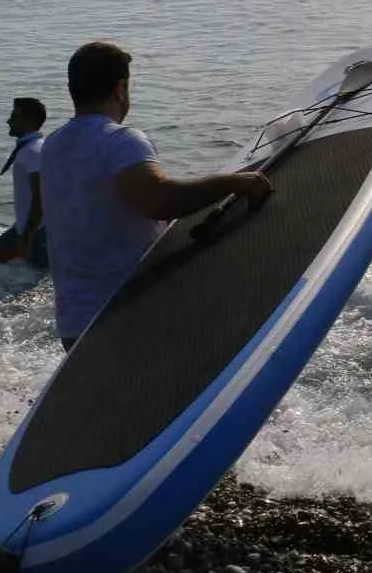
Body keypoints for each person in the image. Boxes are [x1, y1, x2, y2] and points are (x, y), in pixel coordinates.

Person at [41, 42, 271, 351]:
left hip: (73, 325)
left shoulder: (53, 146)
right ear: (120, 89)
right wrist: (235, 183)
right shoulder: (120, 141)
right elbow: (159, 201)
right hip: (129, 315)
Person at [0, 97, 49, 267]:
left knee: (33, 277)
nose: (8, 121)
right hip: (25, 226)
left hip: (37, 230)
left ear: (28, 121)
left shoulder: (33, 151)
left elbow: (41, 196)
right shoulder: (30, 148)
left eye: (14, 117)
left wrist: (28, 235)